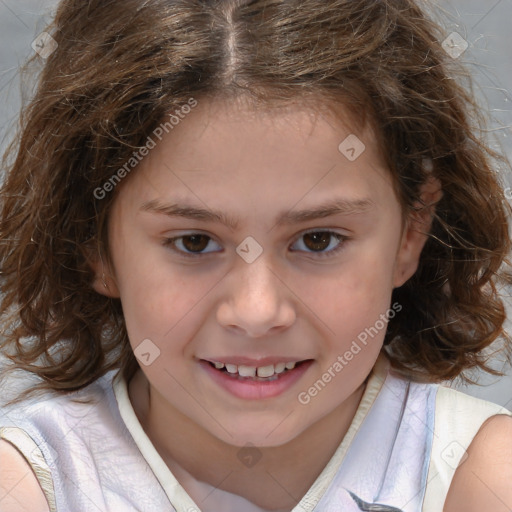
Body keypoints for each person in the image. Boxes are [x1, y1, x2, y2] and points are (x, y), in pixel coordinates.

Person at [1, 0, 512, 511]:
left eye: (318, 240)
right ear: (93, 245)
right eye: (194, 242)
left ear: (410, 234)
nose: (257, 312)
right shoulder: (27, 488)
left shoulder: (484, 482)